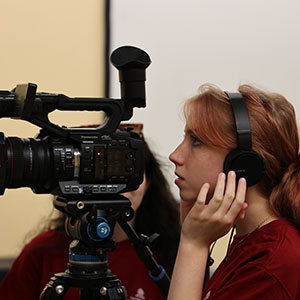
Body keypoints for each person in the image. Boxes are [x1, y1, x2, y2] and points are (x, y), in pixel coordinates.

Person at [0, 123, 180, 300]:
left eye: (126, 170)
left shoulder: (170, 255)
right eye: (101, 169)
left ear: (148, 182)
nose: (116, 187)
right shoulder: (42, 252)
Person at [167, 84, 300, 300]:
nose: (175, 155)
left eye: (196, 140)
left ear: (243, 163)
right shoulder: (250, 242)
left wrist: (193, 244)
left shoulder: (273, 264)